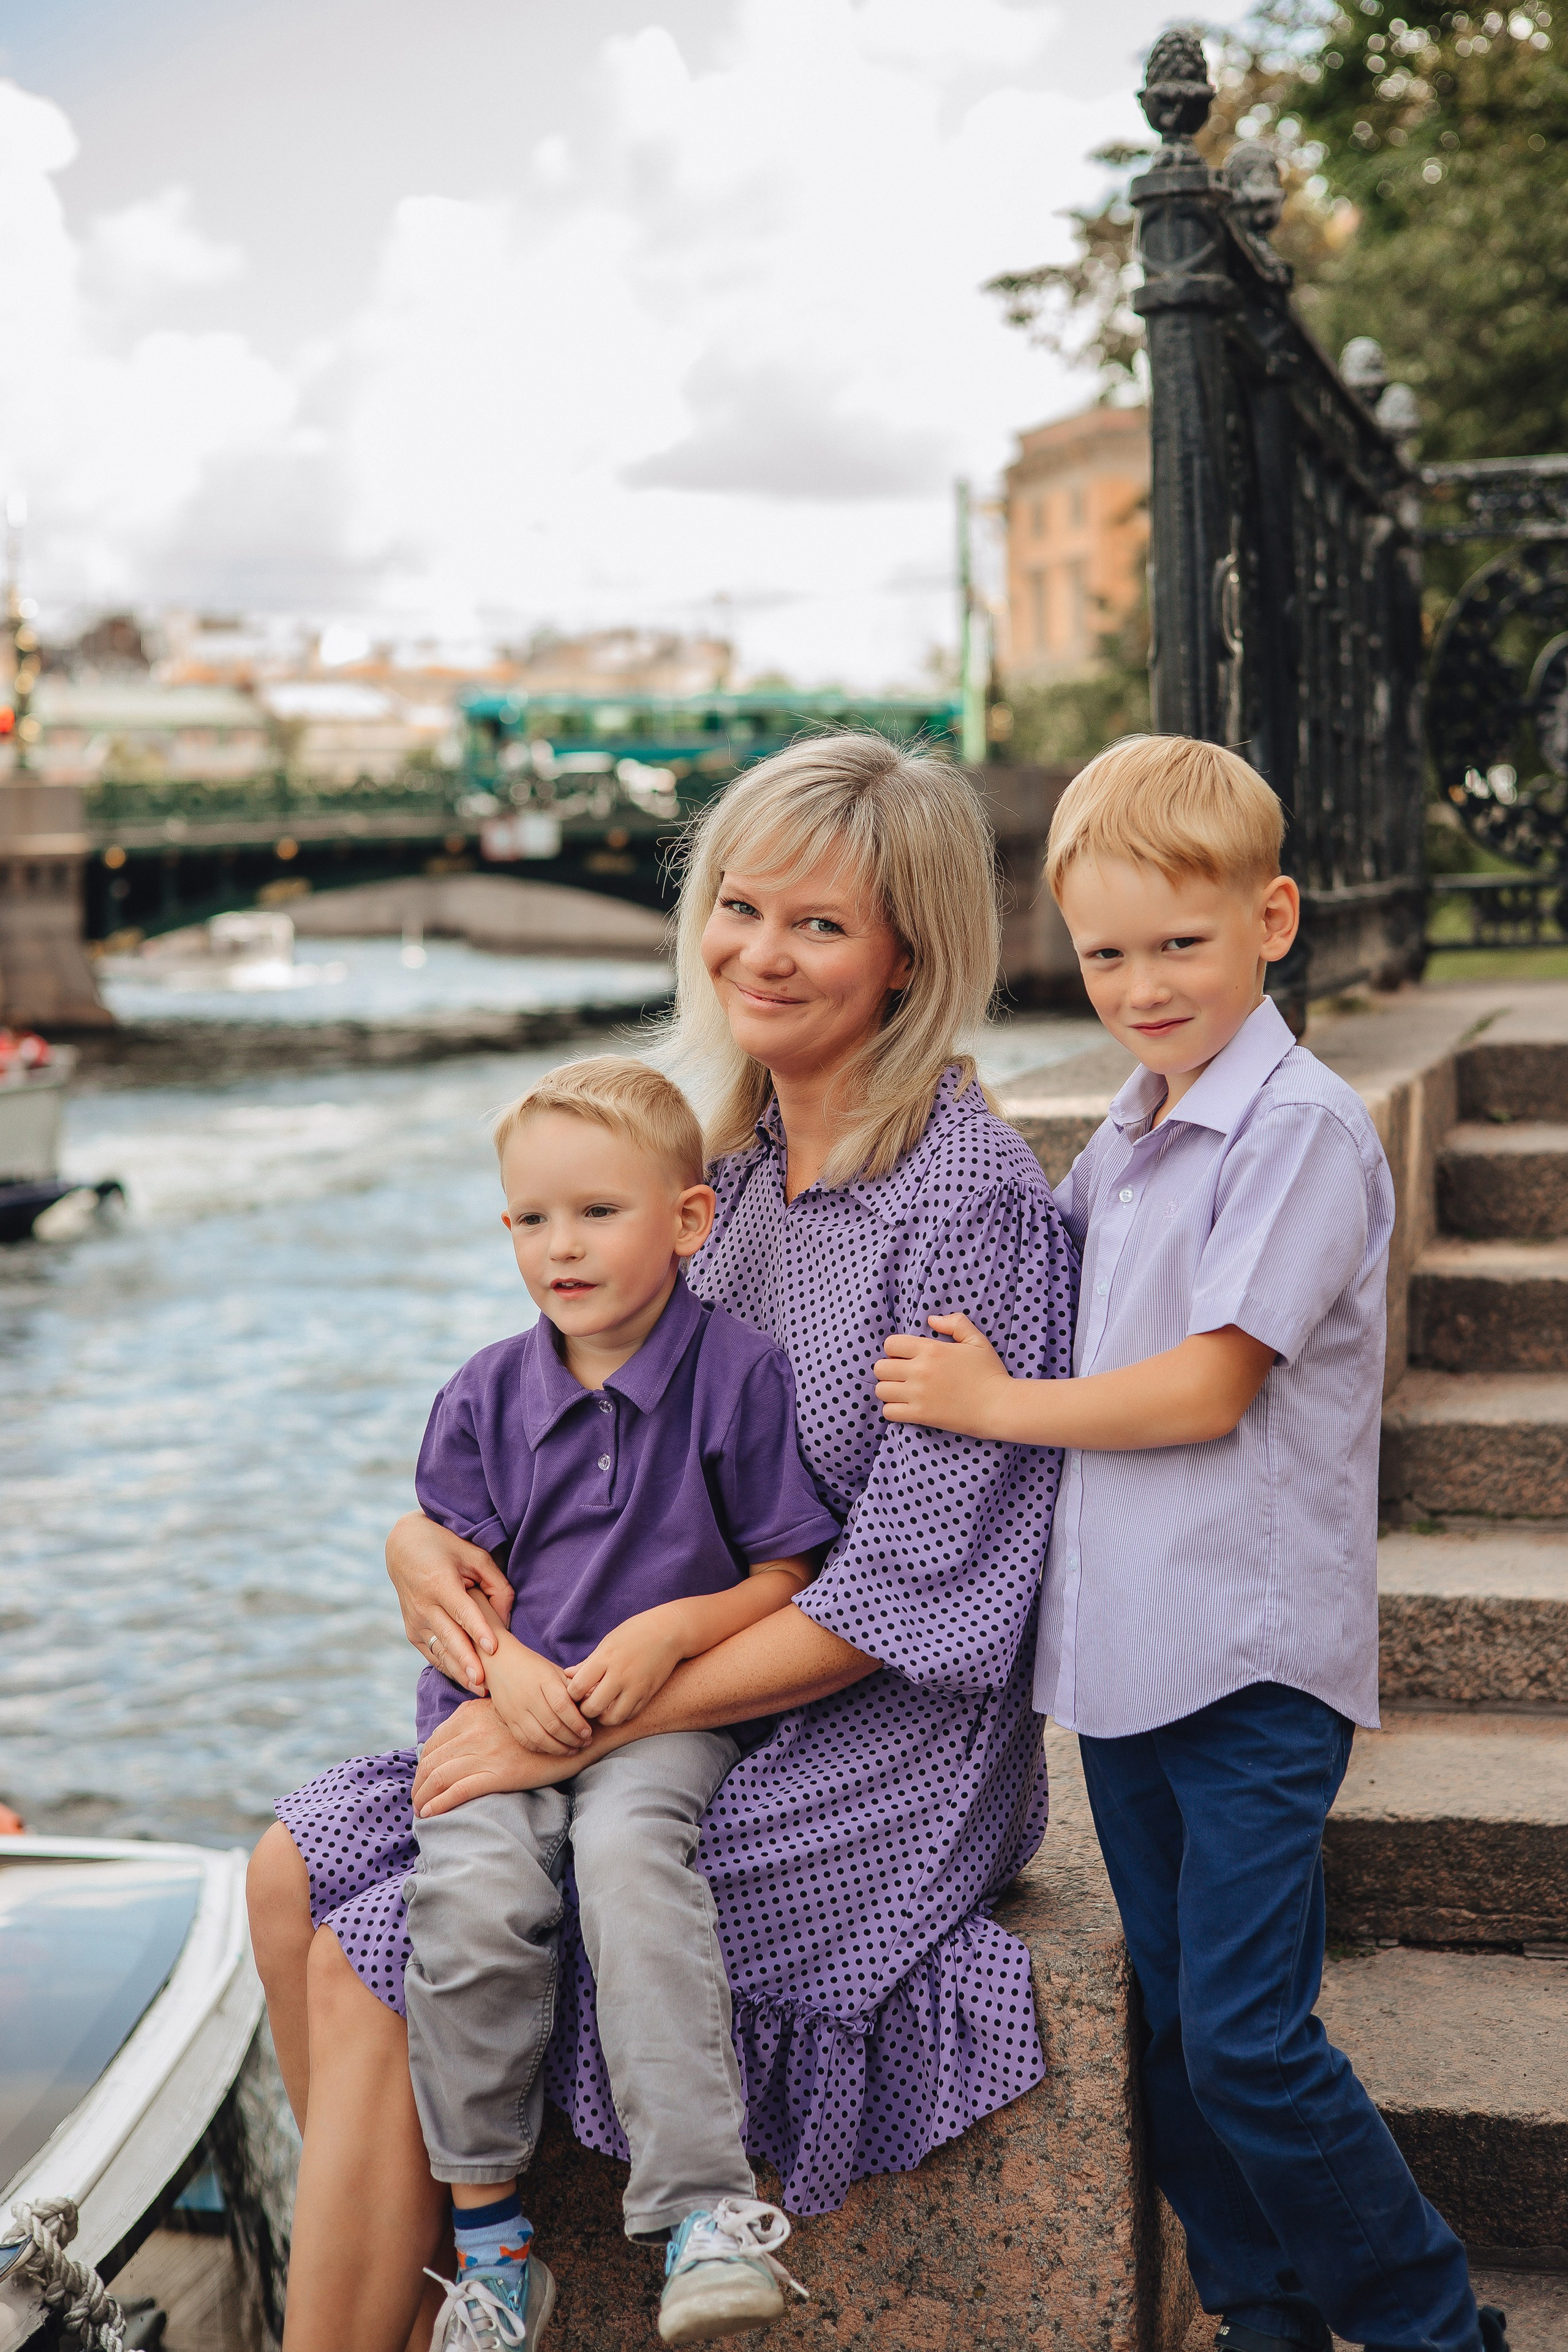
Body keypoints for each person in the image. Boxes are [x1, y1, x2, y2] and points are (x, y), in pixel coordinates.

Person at [246, 733, 1078, 2352]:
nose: (760, 952)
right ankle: (446, 2267)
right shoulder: (722, 1166)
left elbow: (907, 1595)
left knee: (377, 1949)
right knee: (286, 1875)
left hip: (868, 1737)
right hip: (657, 1691)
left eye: (821, 926)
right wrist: (419, 1549)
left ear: (911, 955)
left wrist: (573, 1711)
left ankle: (392, 2308)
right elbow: (556, 1433)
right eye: (740, 906)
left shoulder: (961, 1201)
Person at [872, 735, 1510, 2352]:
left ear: (1274, 919)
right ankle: (1267, 2323)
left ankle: (1435, 2327)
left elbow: (1208, 1388)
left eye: (1181, 945)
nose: (1143, 987)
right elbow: (1037, 1256)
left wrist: (993, 1406)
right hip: (1126, 1668)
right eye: (1105, 955)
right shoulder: (1141, 1127)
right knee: (1172, 2044)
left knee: (1246, 2042)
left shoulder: (1292, 1131)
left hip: (1248, 1667)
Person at [395, 1055, 843, 2350]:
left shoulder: (738, 1375)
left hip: (666, 1719)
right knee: (471, 1902)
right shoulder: (483, 1394)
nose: (561, 1246)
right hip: (505, 1717)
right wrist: (511, 1673)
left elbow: (785, 1571)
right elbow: (453, 1584)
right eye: (532, 1219)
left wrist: (672, 1627)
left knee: (628, 1863)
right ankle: (491, 2252)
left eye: (597, 1212)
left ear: (688, 1220)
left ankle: (705, 2213)